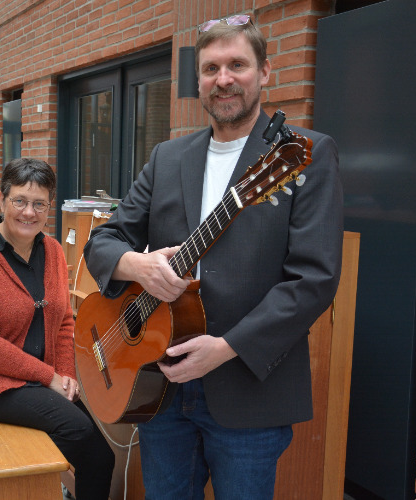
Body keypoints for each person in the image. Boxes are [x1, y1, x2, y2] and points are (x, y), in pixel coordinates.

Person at [82, 15, 343, 500]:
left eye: (237, 64)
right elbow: (105, 239)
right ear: (198, 80)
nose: (223, 79)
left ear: (264, 72)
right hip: (160, 383)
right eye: (211, 68)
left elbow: (314, 279)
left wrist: (225, 348)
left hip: (248, 388)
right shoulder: (167, 157)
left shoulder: (302, 154)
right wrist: (137, 265)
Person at [0, 158, 115, 500]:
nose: (28, 213)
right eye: (19, 201)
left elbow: (64, 321)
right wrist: (48, 377)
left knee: (101, 458)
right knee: (76, 430)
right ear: (1, 200)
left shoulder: (54, 251)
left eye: (39, 204)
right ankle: (23, 484)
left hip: (35, 380)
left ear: (49, 206)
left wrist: (64, 375)